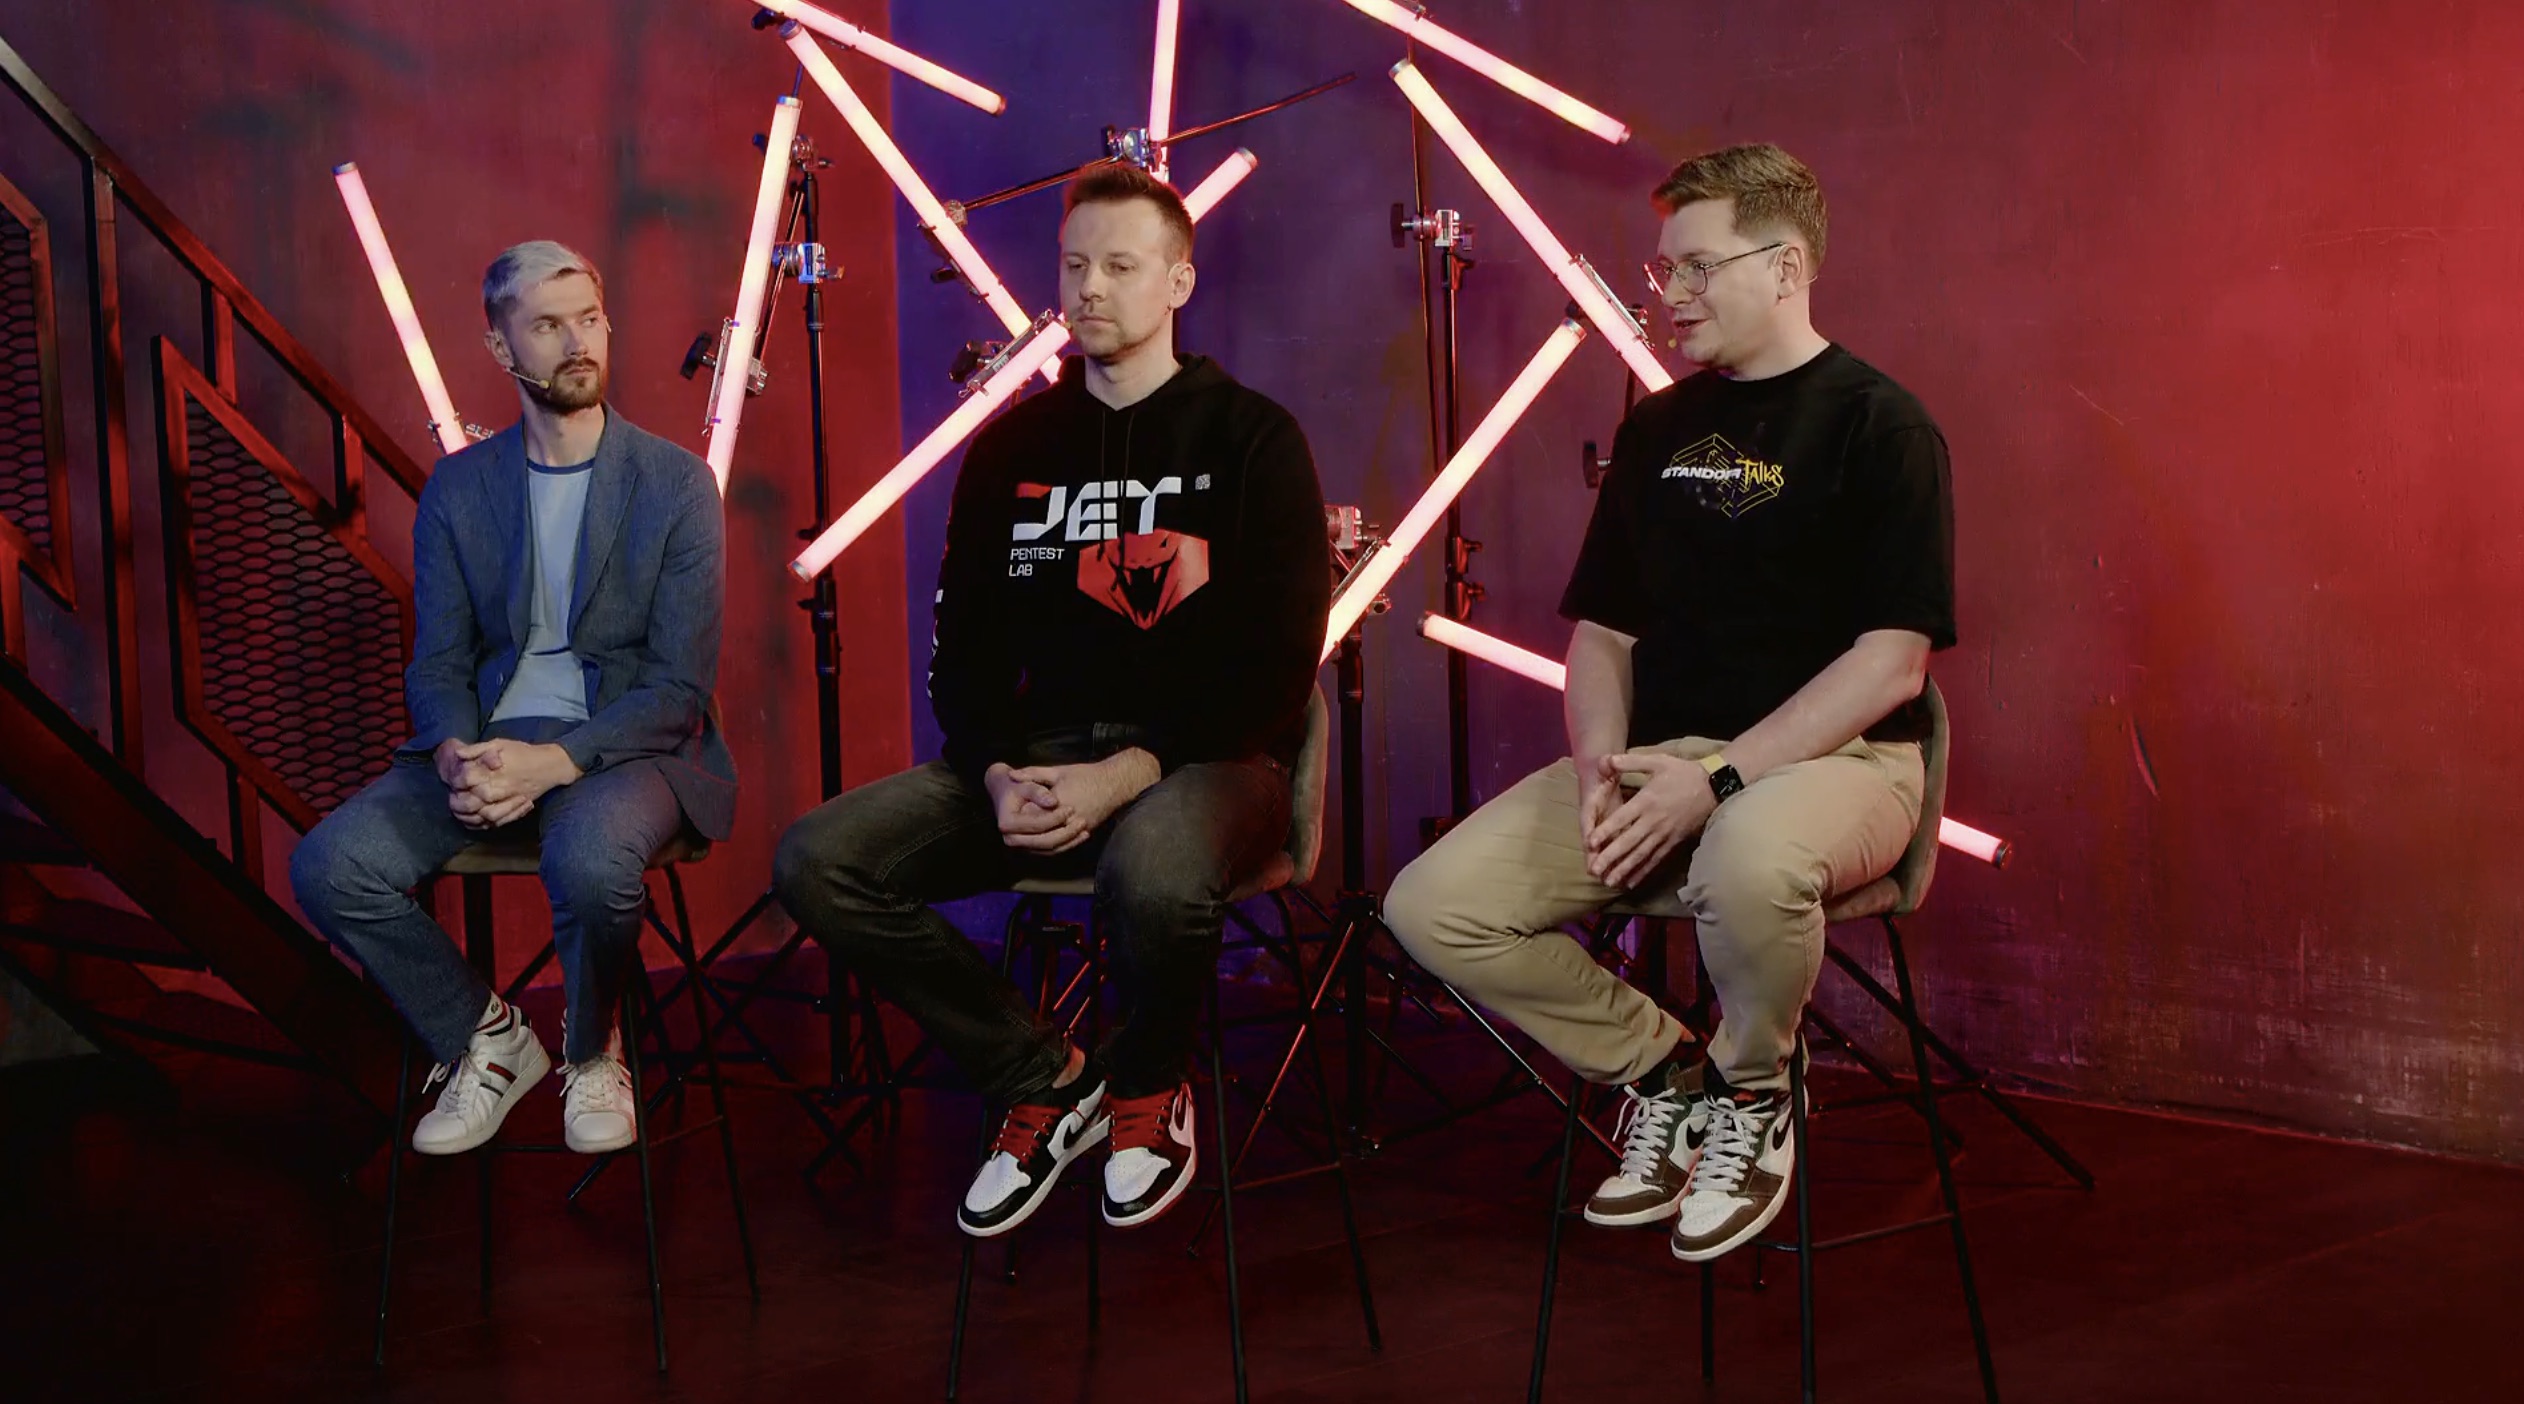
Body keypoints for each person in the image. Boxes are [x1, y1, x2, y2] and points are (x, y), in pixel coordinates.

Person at [1383, 143, 1955, 1262]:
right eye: (1664, 270)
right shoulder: (1657, 429)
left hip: (1843, 766)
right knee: (1434, 903)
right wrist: (1599, 766)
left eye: (1697, 267)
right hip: (1664, 762)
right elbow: (1603, 634)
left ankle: (1755, 1092)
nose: (1671, 294)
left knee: (1744, 857)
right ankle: (1665, 1070)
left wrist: (1719, 778)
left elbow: (1893, 664)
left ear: (1784, 267)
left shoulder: (1881, 426)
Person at [774, 163, 1329, 1237]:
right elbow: (963, 661)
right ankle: (1046, 1079)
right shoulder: (1011, 448)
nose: (1089, 289)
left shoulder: (1253, 438)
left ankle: (1148, 1090)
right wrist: (992, 772)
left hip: (1212, 762)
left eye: (1119, 266)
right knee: (819, 859)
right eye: (1075, 266)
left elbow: (1276, 663)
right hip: (1035, 762)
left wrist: (1130, 770)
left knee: (1151, 866)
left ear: (1178, 281)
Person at [291, 241, 735, 1156]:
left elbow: (678, 686)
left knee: (591, 862)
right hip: (493, 741)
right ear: (501, 349)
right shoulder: (461, 488)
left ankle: (593, 1049)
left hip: (627, 745)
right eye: (547, 326)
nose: (577, 343)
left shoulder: (676, 484)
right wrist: (455, 752)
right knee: (330, 865)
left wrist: (557, 761)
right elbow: (439, 662)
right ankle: (485, 1040)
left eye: (589, 319)